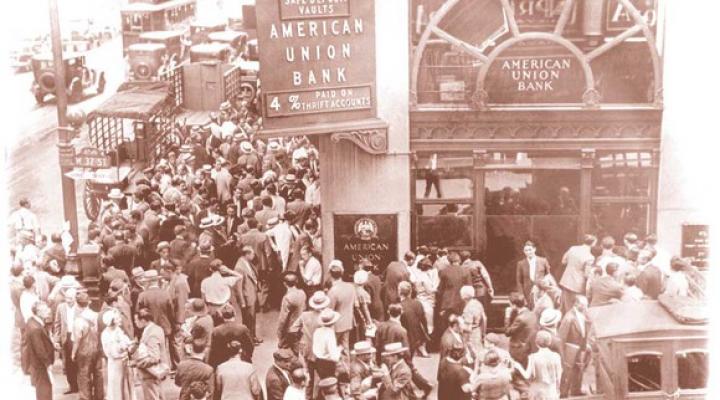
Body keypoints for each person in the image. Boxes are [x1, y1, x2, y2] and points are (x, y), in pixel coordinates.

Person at [289, 291, 329, 398]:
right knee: (323, 376)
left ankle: (307, 396)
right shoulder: (326, 318)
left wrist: (300, 338)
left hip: (306, 349)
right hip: (321, 352)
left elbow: (292, 329)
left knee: (308, 376)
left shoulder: (304, 315)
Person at [136, 269, 175, 367]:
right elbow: (171, 312)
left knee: (151, 350)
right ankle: (165, 368)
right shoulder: (165, 293)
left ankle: (154, 369)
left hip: (149, 328)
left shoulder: (143, 295)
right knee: (164, 349)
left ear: (148, 282)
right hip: (164, 327)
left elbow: (138, 312)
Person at [513, 331, 563, 400]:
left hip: (538, 391)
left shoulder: (533, 357)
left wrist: (518, 366)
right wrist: (557, 388)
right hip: (551, 390)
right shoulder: (556, 356)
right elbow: (559, 376)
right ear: (550, 342)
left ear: (536, 343)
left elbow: (527, 376)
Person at [435, 252, 471, 347]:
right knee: (461, 323)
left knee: (447, 325)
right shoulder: (466, 271)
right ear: (459, 260)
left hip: (447, 302)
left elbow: (440, 289)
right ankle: (461, 344)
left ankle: (447, 344)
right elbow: (469, 288)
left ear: (449, 261)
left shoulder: (444, 271)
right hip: (461, 301)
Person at [72, 292, 103, 400]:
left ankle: (86, 398)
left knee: (84, 376)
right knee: (98, 374)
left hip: (84, 351)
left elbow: (77, 340)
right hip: (97, 348)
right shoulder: (97, 316)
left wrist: (73, 353)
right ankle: (99, 397)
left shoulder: (78, 320)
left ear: (77, 305)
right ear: (88, 303)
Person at [558, 296, 590, 397]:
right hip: (570, 348)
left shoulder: (582, 314)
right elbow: (562, 337)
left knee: (578, 369)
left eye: (586, 305)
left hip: (580, 347)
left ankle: (576, 390)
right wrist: (562, 353)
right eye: (583, 305)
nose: (585, 307)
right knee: (567, 371)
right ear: (576, 304)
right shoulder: (568, 318)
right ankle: (563, 393)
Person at [133, 308, 167, 400]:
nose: (135, 323)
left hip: (150, 373)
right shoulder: (156, 328)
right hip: (156, 372)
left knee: (151, 397)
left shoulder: (151, 334)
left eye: (136, 320)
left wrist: (136, 363)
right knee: (159, 396)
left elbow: (154, 357)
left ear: (143, 320)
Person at [23, 301, 55, 400]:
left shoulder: (32, 321)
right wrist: (48, 364)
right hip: (40, 364)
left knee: (43, 388)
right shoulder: (36, 328)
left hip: (36, 363)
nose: (48, 311)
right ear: (38, 312)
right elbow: (39, 350)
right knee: (44, 389)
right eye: (45, 310)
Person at [101, 309, 136, 400]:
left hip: (124, 361)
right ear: (112, 321)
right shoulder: (106, 334)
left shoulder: (118, 330)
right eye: (117, 319)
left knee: (127, 383)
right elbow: (111, 352)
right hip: (115, 363)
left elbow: (126, 341)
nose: (119, 320)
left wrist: (130, 344)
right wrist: (123, 347)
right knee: (116, 384)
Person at [559, 234, 596, 313]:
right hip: (578, 285)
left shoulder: (573, 248)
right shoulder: (590, 257)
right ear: (593, 243)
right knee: (576, 308)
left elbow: (563, 261)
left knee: (566, 306)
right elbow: (586, 274)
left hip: (566, 281)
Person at [53, 287, 79, 394]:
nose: (69, 300)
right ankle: (72, 386)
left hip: (77, 336)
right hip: (66, 337)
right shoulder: (61, 307)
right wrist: (56, 339)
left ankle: (80, 385)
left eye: (71, 298)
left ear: (75, 298)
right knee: (68, 363)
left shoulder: (80, 306)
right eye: (67, 298)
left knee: (78, 362)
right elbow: (57, 324)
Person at [235, 246, 262, 344]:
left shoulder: (247, 263)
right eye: (252, 254)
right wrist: (242, 301)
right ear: (246, 254)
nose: (254, 255)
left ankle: (253, 336)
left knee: (252, 318)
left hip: (251, 294)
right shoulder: (239, 267)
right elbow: (238, 287)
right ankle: (248, 339)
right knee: (248, 319)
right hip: (247, 297)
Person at [327, 261, 356, 351]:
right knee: (345, 347)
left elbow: (329, 310)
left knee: (332, 349)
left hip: (336, 325)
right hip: (348, 322)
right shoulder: (351, 287)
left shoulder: (333, 291)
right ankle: (346, 364)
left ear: (330, 274)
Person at [505, 292, 538, 368]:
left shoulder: (520, 318)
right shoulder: (531, 313)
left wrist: (507, 316)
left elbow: (507, 332)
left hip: (519, 349)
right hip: (528, 346)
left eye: (509, 304)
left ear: (514, 305)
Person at [398, 281, 429, 358]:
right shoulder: (418, 303)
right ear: (410, 291)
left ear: (399, 292)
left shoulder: (399, 306)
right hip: (417, 336)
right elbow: (423, 321)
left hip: (404, 337)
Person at [516, 241, 550, 309]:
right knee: (530, 311)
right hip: (527, 292)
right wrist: (521, 294)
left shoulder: (543, 261)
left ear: (534, 249)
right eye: (526, 250)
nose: (528, 252)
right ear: (523, 251)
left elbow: (548, 275)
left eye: (530, 250)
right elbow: (519, 281)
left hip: (541, 291)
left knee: (541, 309)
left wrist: (544, 283)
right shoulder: (521, 264)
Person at [277, 272, 307, 350]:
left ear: (284, 283)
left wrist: (279, 332)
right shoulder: (302, 293)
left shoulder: (287, 298)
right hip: (300, 326)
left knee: (286, 350)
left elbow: (283, 318)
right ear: (296, 281)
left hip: (290, 328)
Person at [409, 257, 438, 337]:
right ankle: (429, 343)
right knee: (429, 325)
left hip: (419, 300)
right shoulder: (425, 278)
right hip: (427, 303)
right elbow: (430, 291)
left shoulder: (418, 276)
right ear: (428, 267)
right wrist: (437, 288)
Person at [313, 308, 343, 379]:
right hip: (328, 363)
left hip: (318, 361)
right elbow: (334, 356)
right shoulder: (330, 333)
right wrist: (339, 350)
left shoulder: (317, 331)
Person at [460, 285, 486, 357]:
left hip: (471, 335)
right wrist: (483, 334)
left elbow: (467, 328)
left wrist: (464, 343)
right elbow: (484, 319)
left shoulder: (468, 308)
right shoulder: (478, 303)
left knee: (471, 354)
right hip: (478, 331)